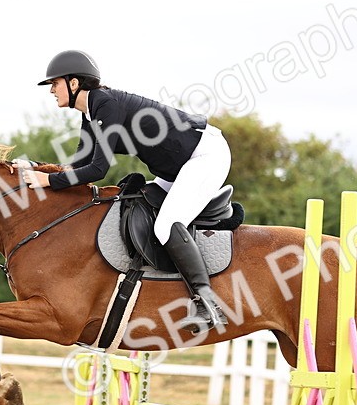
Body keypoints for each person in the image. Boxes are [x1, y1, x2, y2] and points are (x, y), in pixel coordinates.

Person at [22, 49, 231, 334]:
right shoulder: (91, 112)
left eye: (54, 83)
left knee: (166, 225)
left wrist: (49, 182)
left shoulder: (105, 104)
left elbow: (97, 171)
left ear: (74, 84)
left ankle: (208, 305)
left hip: (204, 155)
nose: (51, 90)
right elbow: (78, 164)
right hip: (178, 167)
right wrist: (40, 169)